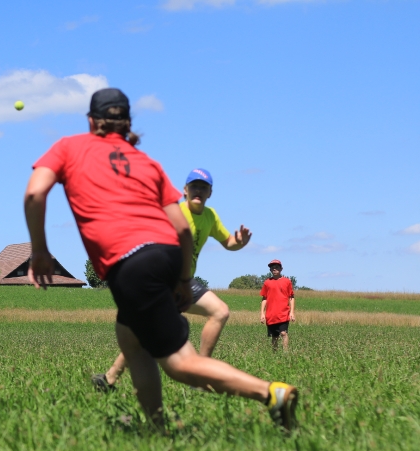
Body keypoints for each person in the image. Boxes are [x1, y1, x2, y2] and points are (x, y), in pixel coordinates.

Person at [24, 88, 298, 430]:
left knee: (180, 364)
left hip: (131, 264)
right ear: (128, 123)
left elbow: (35, 193)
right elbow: (181, 228)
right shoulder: (146, 162)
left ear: (91, 121)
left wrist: (39, 250)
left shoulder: (69, 146)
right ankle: (155, 427)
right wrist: (181, 279)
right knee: (130, 338)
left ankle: (271, 393)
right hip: (166, 254)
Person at [92, 168, 252, 391]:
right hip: (162, 279)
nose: (198, 190)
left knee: (219, 311)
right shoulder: (174, 212)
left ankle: (200, 373)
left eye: (203, 187)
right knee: (145, 332)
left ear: (210, 193)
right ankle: (109, 379)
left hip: (185, 281)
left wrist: (239, 243)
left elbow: (228, 242)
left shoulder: (210, 216)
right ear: (185, 190)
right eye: (194, 186)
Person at [260, 259, 295, 351]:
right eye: (272, 267)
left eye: (276, 267)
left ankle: (285, 353)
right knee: (274, 336)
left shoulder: (287, 281)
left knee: (283, 333)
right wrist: (262, 313)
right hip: (271, 314)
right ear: (270, 270)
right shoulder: (267, 282)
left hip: (284, 313)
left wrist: (292, 312)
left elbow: (291, 297)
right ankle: (274, 353)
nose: (274, 269)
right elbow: (264, 298)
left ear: (281, 269)